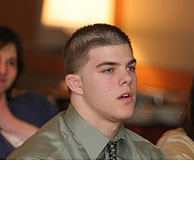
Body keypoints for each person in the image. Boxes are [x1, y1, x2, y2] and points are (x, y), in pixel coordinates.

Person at [8, 23, 165, 160]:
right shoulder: (38, 161)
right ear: (76, 84)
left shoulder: (150, 155)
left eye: (130, 67)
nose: (127, 78)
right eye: (109, 70)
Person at [0, 25, 58, 159]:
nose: (3, 70)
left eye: (11, 62)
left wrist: (12, 124)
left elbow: (71, 154)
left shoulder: (36, 104)